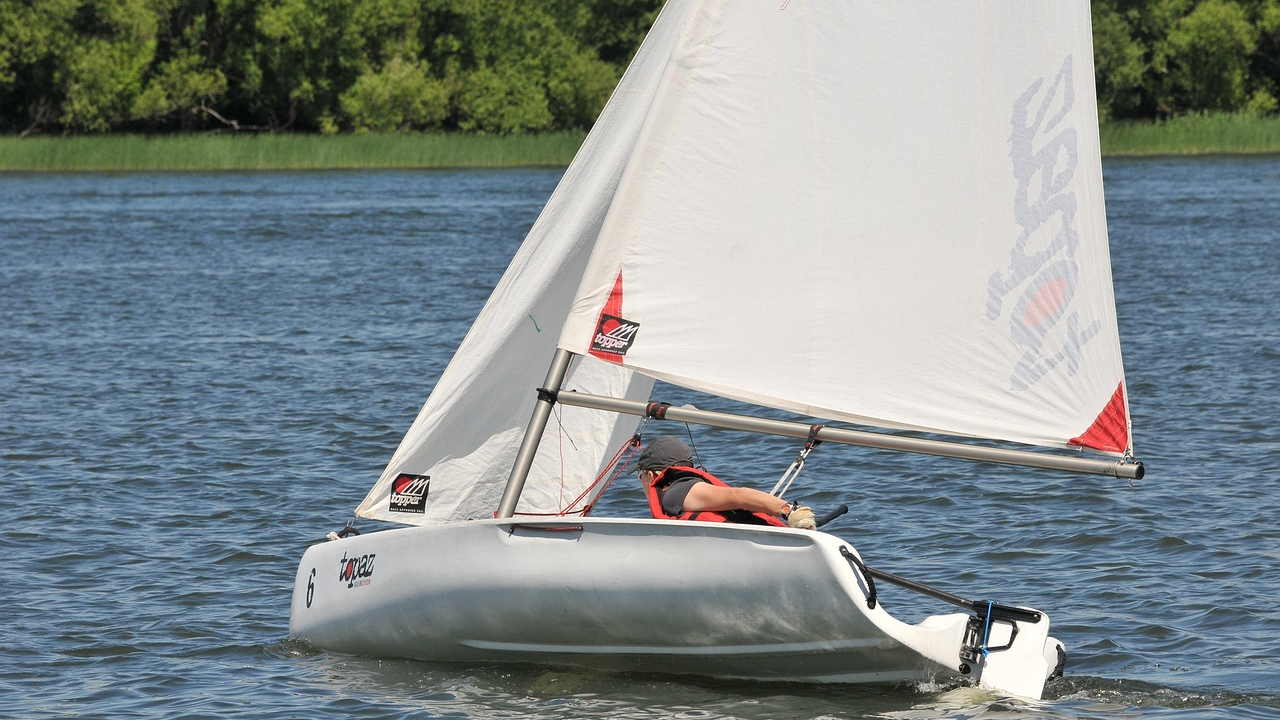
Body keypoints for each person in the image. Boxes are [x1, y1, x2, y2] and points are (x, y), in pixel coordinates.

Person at [635, 436, 817, 530]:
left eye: (639, 475)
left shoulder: (676, 492)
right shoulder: (679, 493)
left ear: (650, 475)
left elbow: (738, 496)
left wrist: (790, 512)